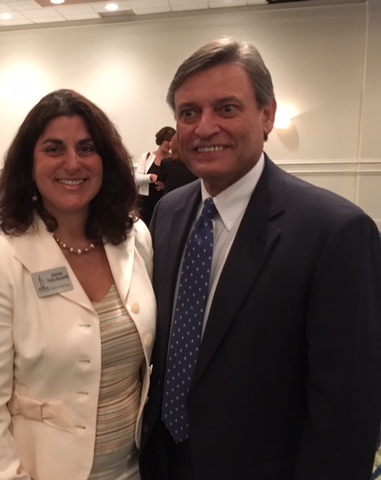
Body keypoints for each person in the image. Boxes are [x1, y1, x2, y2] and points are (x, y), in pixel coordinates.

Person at [139, 37, 381, 480]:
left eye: (226, 108)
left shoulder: (336, 232)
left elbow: (348, 413)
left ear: (267, 115)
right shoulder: (170, 213)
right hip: (163, 462)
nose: (204, 127)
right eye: (188, 113)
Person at [0, 89, 156, 480]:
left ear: (107, 161)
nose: (72, 163)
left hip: (134, 470)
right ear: (29, 165)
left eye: (86, 148)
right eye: (53, 149)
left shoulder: (135, 240)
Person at [134, 126, 175, 225]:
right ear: (161, 139)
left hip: (165, 202)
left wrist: (166, 185)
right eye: (167, 140)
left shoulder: (174, 160)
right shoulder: (146, 156)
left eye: (172, 141)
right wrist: (150, 177)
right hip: (146, 203)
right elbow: (136, 179)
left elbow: (176, 182)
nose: (169, 144)